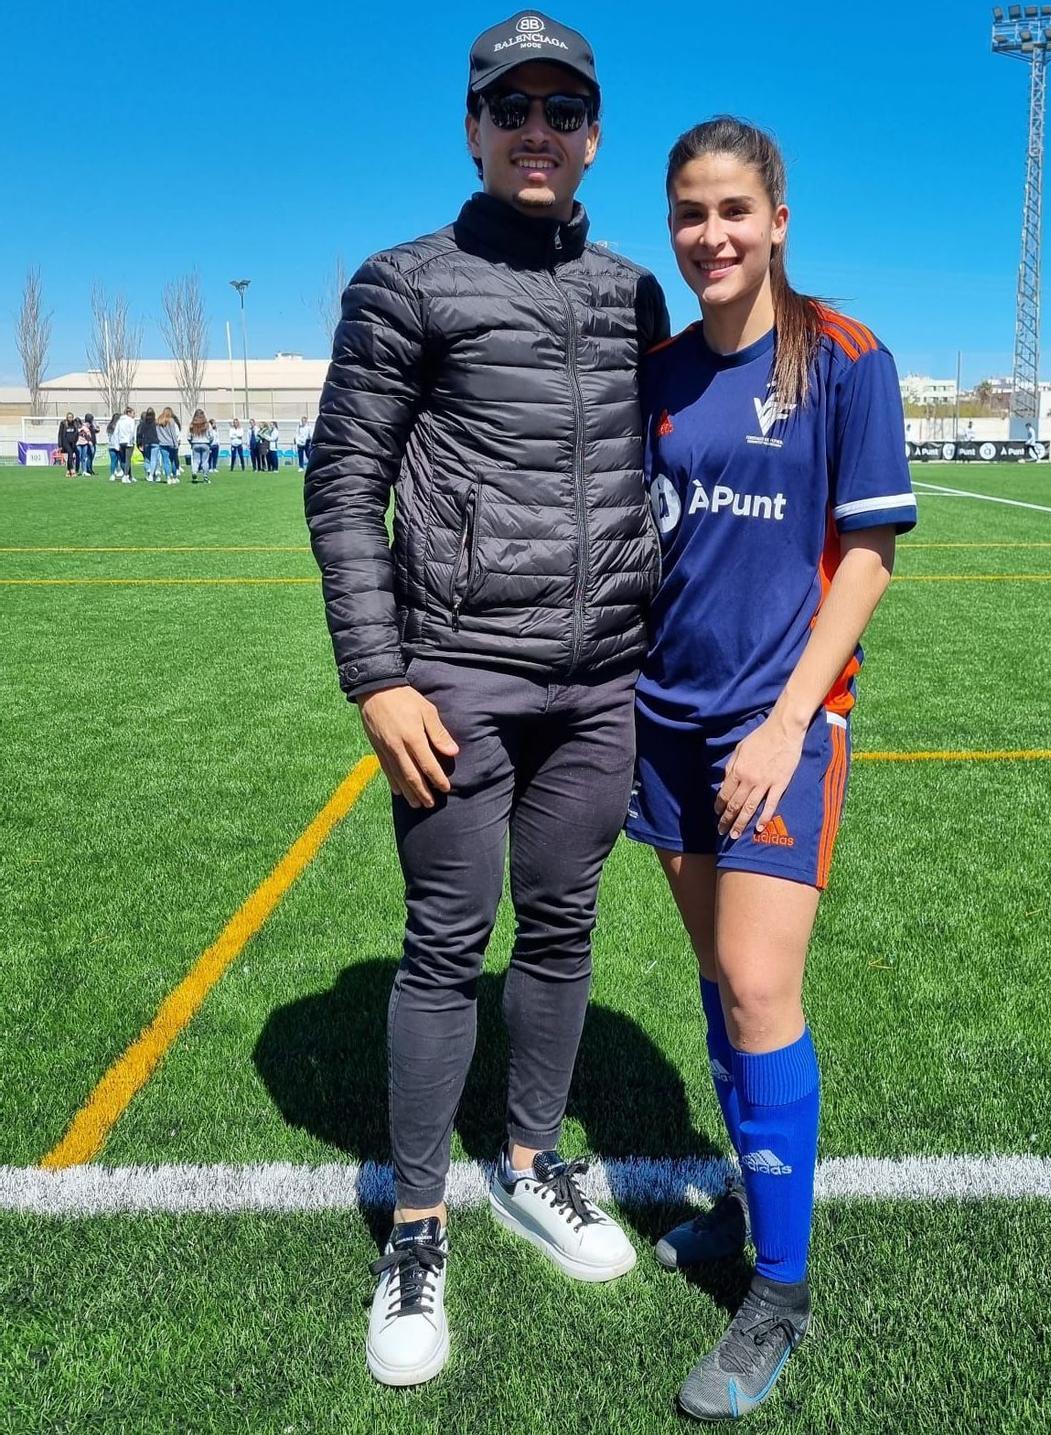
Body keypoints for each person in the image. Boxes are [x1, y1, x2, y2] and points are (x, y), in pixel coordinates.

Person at [304, 10, 668, 1391]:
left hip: (599, 680)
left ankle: (529, 1162)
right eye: (511, 107)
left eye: (561, 110)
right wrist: (377, 672)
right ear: (472, 126)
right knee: (446, 941)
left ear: (591, 135)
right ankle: (414, 1224)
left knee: (564, 927)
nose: (537, 130)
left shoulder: (632, 292)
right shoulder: (406, 281)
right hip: (456, 674)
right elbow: (342, 483)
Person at [626, 117, 916, 1421]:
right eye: (691, 212)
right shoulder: (662, 371)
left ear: (780, 217)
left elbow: (866, 557)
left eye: (736, 209)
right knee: (714, 974)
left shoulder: (847, 358)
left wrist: (788, 720)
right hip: (665, 719)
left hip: (780, 724)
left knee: (759, 979)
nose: (713, 235)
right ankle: (752, 1208)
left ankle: (780, 1291)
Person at [156, 408, 181, 484]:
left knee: (165, 461)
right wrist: (176, 444)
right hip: (171, 443)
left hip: (162, 443)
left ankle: (168, 477)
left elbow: (157, 433)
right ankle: (174, 476)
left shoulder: (158, 421)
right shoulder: (171, 421)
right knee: (173, 460)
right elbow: (173, 433)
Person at [112, 406, 138, 482]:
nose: (134, 415)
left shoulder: (119, 421)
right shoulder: (131, 421)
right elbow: (132, 432)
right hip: (128, 442)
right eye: (133, 413)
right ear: (129, 413)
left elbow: (116, 433)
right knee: (128, 460)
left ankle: (129, 476)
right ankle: (126, 475)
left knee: (124, 460)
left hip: (121, 442)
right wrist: (131, 441)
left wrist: (116, 444)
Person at [188, 409, 213, 482]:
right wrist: (210, 443)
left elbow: (189, 436)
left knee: (196, 461)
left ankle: (194, 473)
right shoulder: (207, 424)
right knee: (205, 461)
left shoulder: (192, 424)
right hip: (205, 443)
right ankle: (205, 476)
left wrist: (191, 443)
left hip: (195, 443)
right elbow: (211, 436)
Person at [137, 407, 160, 482]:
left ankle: (149, 471)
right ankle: (153, 474)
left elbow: (140, 434)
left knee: (147, 459)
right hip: (155, 442)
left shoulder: (144, 423)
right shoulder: (156, 422)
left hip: (146, 442)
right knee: (154, 459)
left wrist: (140, 443)